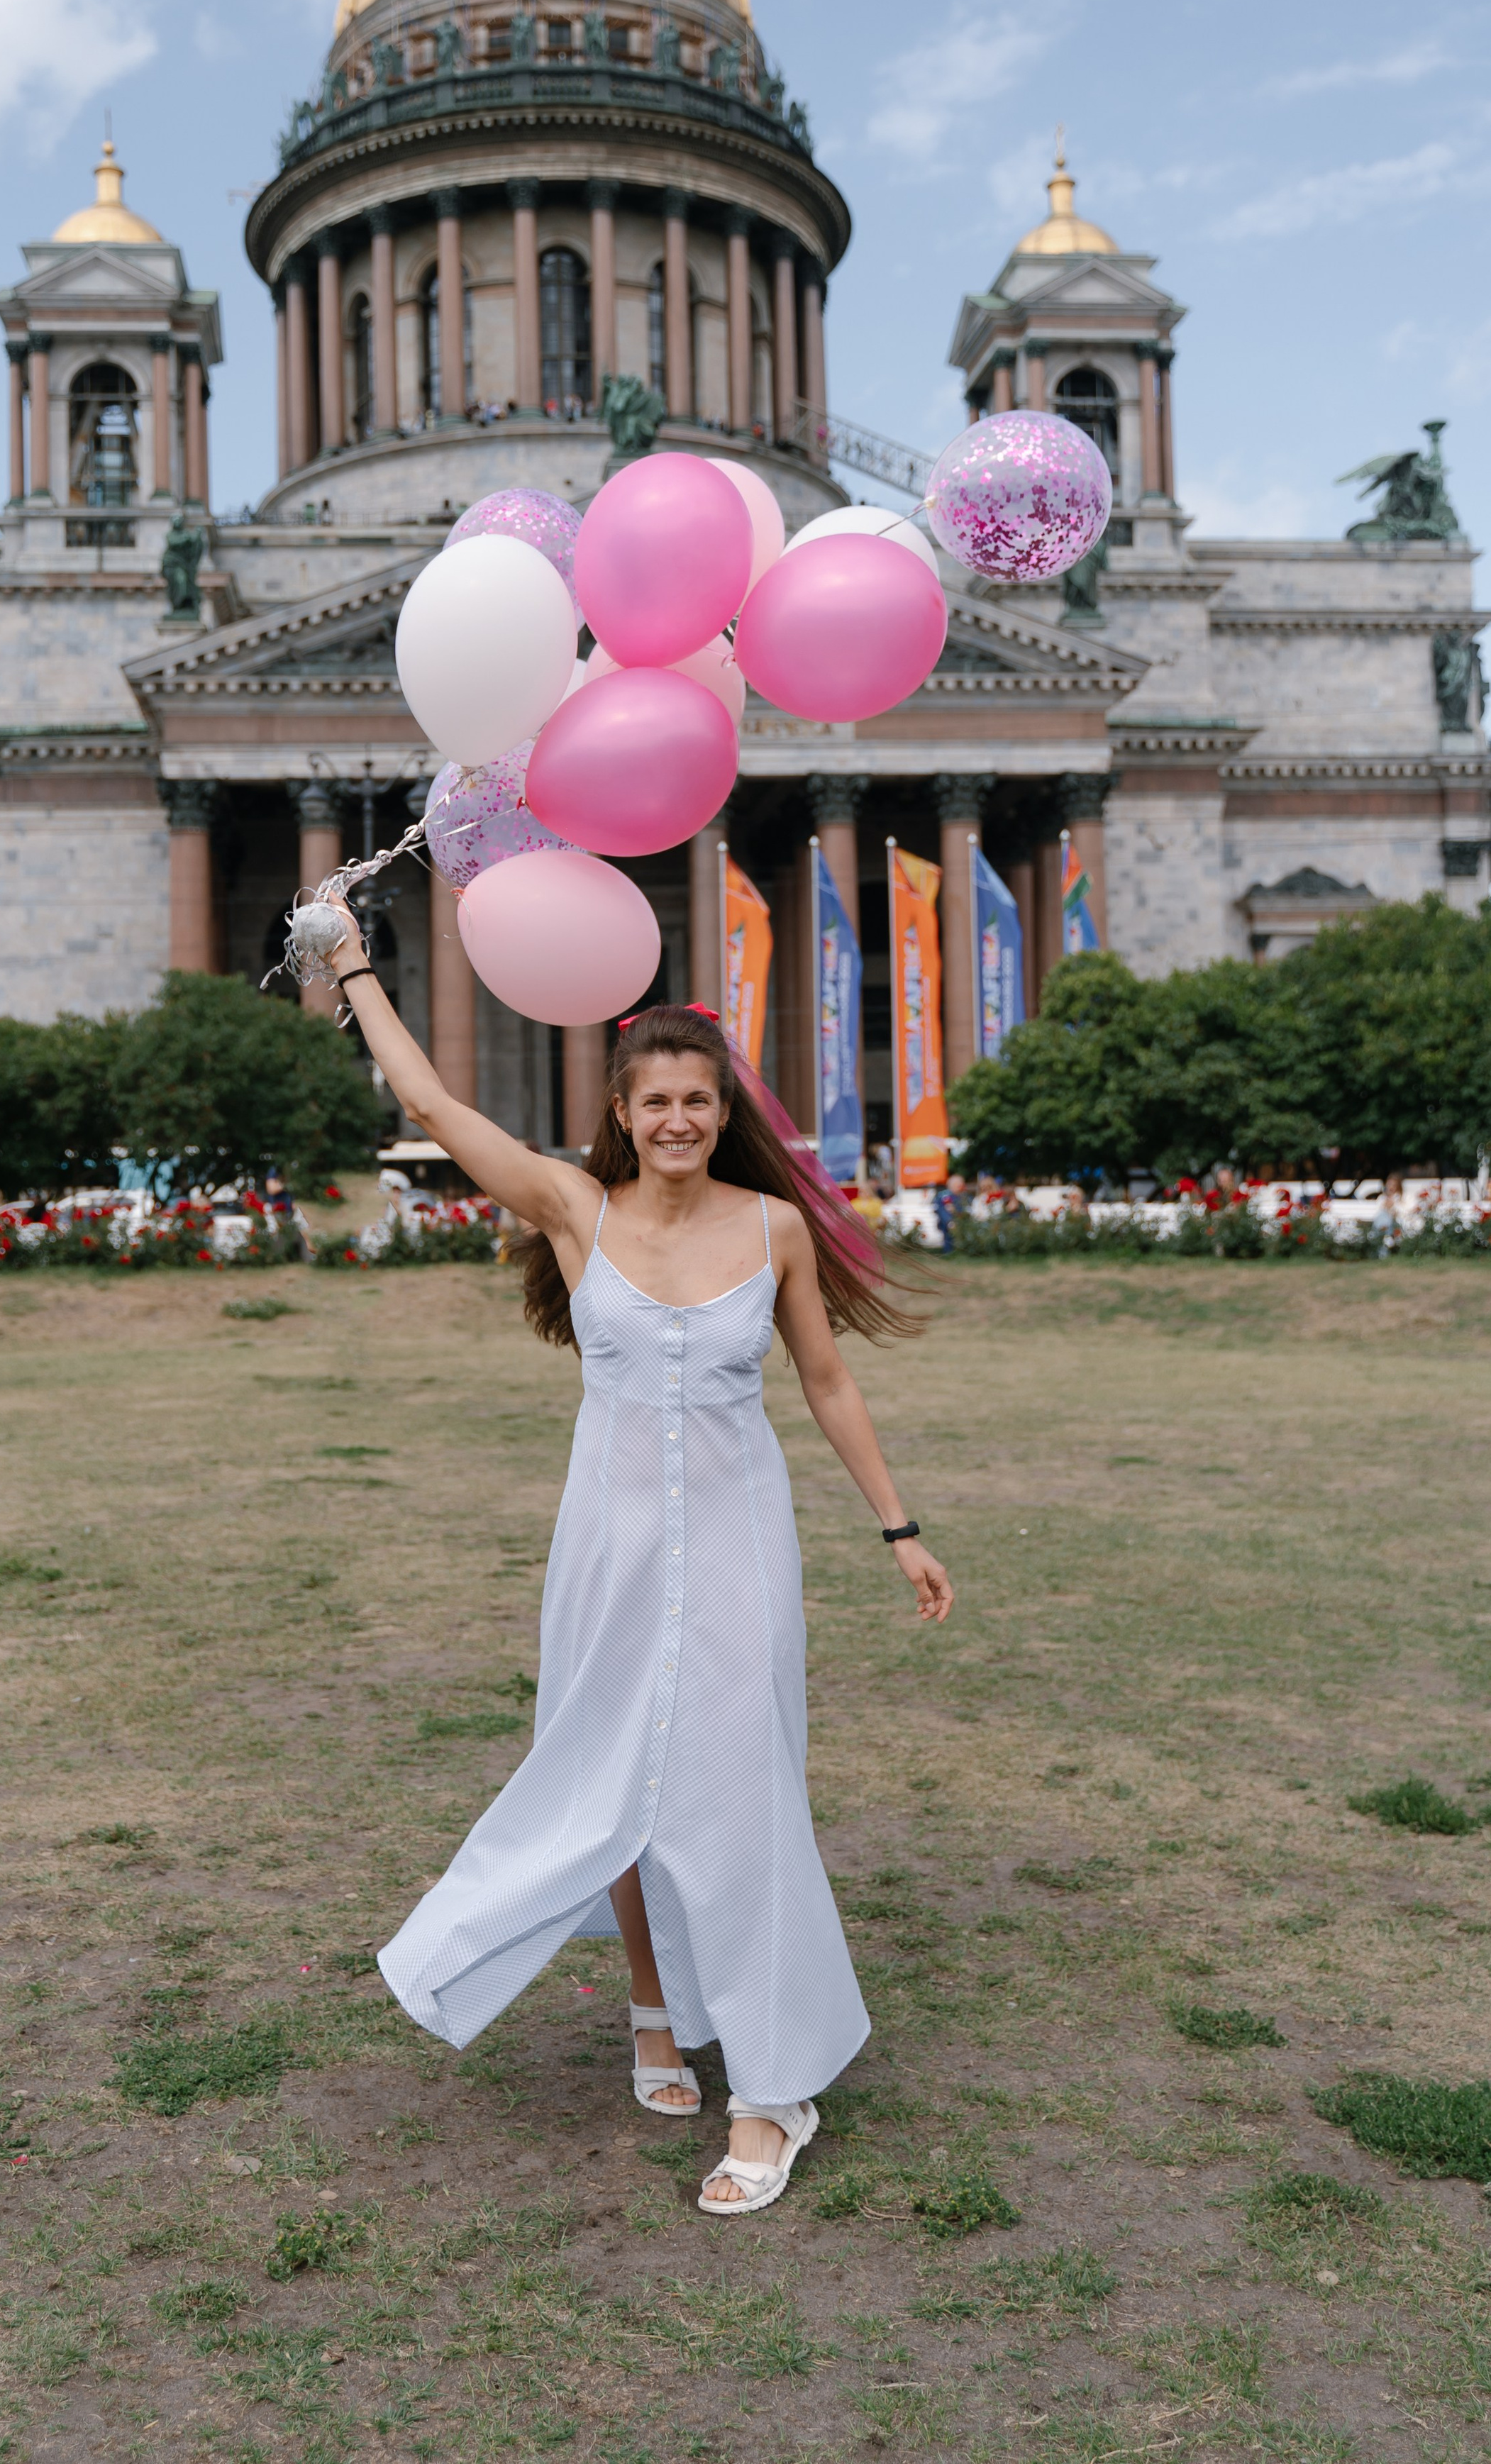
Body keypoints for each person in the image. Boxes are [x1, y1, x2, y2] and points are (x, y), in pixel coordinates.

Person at [325, 911, 951, 2218]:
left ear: (725, 1114)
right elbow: (434, 1104)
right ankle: (654, 2009)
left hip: (738, 1544)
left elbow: (827, 1383)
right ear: (621, 1111)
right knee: (612, 1777)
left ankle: (773, 2090)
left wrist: (900, 1530)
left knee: (741, 1789)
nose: (678, 1120)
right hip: (607, 1547)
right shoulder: (574, 1207)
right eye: (656, 1101)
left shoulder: (773, 1229)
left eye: (698, 1102)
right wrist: (350, 967)